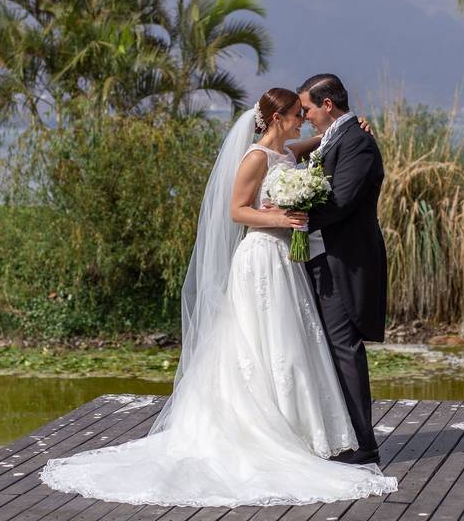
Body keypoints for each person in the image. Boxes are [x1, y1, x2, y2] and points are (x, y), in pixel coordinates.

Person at [39, 88, 397, 507]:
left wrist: (352, 125)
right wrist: (281, 219)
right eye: (297, 114)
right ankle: (257, 433)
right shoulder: (255, 158)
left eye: (306, 113)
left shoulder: (287, 151)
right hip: (260, 258)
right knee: (258, 345)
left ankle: (299, 432)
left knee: (288, 348)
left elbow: (324, 139)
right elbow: (236, 211)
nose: (303, 119)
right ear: (278, 118)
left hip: (285, 262)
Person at [297, 74, 388, 466]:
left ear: (327, 105)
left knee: (344, 348)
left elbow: (342, 200)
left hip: (343, 261)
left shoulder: (358, 143)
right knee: (325, 348)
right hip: (320, 259)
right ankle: (339, 435)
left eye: (307, 109)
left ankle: (363, 443)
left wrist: (291, 217)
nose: (305, 116)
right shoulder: (334, 138)